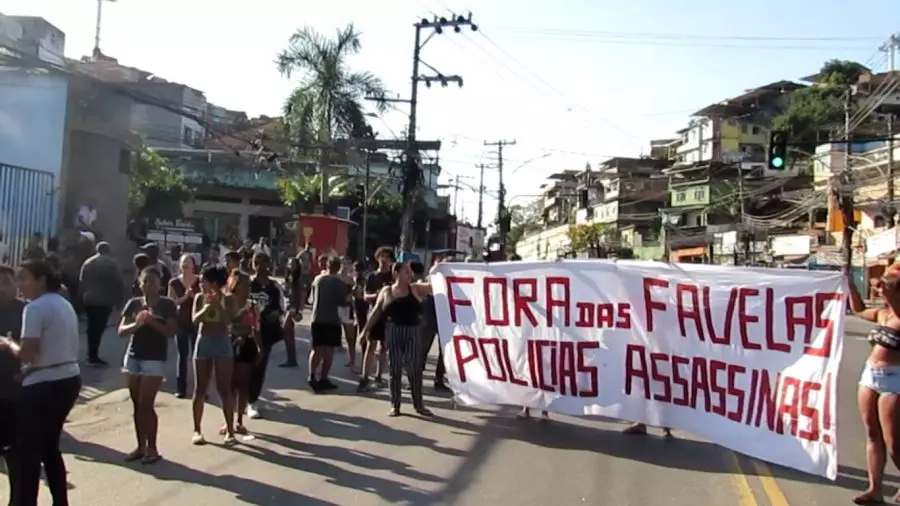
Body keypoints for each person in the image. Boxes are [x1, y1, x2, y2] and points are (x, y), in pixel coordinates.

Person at [1, 259, 81, 506]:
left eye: (23, 279)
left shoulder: (34, 308)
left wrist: (8, 344)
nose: (20, 285)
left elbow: (27, 353)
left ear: (41, 280)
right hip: (67, 378)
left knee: (29, 453)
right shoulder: (63, 303)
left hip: (43, 386)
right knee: (50, 448)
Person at [848, 271, 900, 504]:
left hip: (894, 380)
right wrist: (850, 286)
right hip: (870, 376)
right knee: (872, 433)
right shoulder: (882, 313)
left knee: (894, 442)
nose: (878, 290)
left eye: (883, 288)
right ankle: (875, 489)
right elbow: (858, 309)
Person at [118, 267, 177, 464]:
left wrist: (151, 321)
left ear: (159, 284)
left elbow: (170, 331)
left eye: (152, 281)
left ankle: (153, 448)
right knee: (136, 403)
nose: (147, 285)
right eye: (144, 281)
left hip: (154, 359)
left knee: (146, 403)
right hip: (133, 356)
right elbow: (121, 330)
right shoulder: (134, 303)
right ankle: (140, 446)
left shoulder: (167, 304)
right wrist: (137, 324)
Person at [361, 261, 433, 417]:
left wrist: (440, 271)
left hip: (413, 331)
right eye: (406, 271)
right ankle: (395, 405)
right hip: (393, 331)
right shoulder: (386, 291)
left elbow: (436, 286)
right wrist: (365, 330)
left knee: (414, 368)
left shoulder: (415, 288)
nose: (410, 274)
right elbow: (376, 312)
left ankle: (419, 405)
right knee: (395, 369)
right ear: (396, 273)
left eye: (410, 272)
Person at [191, 265, 236, 446]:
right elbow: (194, 320)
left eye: (203, 281)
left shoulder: (228, 299)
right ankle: (197, 430)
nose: (200, 284)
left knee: (224, 389)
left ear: (214, 283)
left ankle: (230, 431)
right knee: (200, 389)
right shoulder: (199, 298)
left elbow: (228, 322)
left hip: (222, 343)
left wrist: (218, 305)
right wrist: (206, 308)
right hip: (204, 342)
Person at [246, 253, 286, 420]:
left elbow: (280, 309)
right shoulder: (248, 284)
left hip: (266, 333)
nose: (259, 266)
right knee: (245, 367)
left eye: (262, 262)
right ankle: (244, 398)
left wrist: (273, 315)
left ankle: (252, 401)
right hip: (247, 332)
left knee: (259, 367)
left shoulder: (273, 288)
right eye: (256, 262)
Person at [226, 270, 261, 436]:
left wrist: (260, 347)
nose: (247, 289)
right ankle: (228, 421)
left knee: (242, 384)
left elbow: (255, 327)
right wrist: (241, 313)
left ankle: (239, 420)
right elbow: (226, 321)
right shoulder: (227, 301)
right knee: (229, 384)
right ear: (236, 285)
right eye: (245, 285)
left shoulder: (252, 304)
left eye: (249, 286)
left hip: (247, 343)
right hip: (228, 343)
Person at [80, 241, 124, 367]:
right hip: (104, 300)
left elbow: (81, 281)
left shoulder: (88, 262)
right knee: (99, 328)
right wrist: (119, 301)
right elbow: (119, 282)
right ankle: (93, 356)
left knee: (91, 327)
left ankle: (91, 354)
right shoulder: (112, 263)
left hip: (89, 299)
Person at [0, 264, 24, 494]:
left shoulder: (28, 311)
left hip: (17, 389)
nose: (2, 288)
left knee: (15, 450)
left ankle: (17, 497)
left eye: (6, 282)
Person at [357, 247, 394, 392]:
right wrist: (377, 295)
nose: (384, 260)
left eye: (387, 257)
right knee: (370, 345)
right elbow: (365, 296)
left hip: (389, 316)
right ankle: (364, 377)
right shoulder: (372, 276)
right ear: (377, 258)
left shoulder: (393, 276)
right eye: (381, 256)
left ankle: (378, 376)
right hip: (374, 314)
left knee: (383, 347)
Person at [308, 256, 347, 393]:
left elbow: (311, 299)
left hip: (317, 317)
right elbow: (342, 301)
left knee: (317, 348)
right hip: (332, 319)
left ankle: (312, 375)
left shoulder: (318, 279)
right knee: (329, 350)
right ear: (338, 267)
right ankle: (323, 378)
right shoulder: (339, 282)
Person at [410, 261, 448, 391]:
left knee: (444, 352)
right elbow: (414, 287)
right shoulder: (431, 282)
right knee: (421, 350)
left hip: (444, 318)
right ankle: (415, 379)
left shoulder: (453, 284)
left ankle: (439, 380)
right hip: (429, 318)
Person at [168, 254, 200, 398]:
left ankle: (200, 389)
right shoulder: (174, 283)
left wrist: (194, 297)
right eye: (183, 263)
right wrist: (185, 297)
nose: (185, 265)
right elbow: (171, 303)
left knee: (198, 357)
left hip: (196, 322)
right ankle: (181, 389)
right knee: (182, 356)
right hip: (181, 323)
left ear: (193, 266)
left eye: (188, 263)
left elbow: (206, 300)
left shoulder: (199, 281)